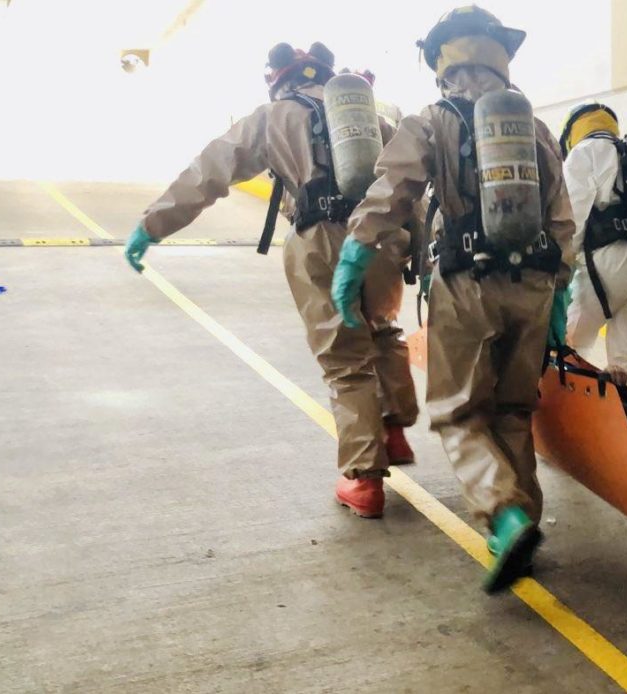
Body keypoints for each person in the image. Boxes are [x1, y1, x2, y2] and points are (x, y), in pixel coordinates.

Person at [332, 5, 576, 593]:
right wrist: (559, 291)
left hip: (469, 285)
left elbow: (394, 192)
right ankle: (521, 526)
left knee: (459, 412)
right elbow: (562, 217)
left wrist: (355, 252)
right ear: (501, 59)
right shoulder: (534, 129)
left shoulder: (431, 122)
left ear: (443, 64)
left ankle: (506, 516)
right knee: (513, 410)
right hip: (534, 286)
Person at [123, 42, 419, 519]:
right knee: (383, 330)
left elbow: (208, 172)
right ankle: (395, 431)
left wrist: (151, 225)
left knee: (344, 357)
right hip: (381, 239)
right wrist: (416, 247)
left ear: (277, 78)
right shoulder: (370, 119)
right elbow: (406, 185)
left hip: (320, 240)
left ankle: (364, 479)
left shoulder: (270, 117)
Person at [559, 102, 627, 392]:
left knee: (567, 345)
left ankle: (576, 413)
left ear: (571, 133)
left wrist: (559, 270)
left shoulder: (584, 152)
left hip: (606, 263)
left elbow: (571, 220)